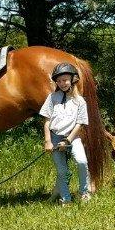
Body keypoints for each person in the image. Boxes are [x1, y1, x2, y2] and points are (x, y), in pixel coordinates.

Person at [40, 63, 92, 203]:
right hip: (55, 137)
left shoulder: (80, 101)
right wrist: (48, 141)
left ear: (72, 80)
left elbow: (79, 123)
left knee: (81, 161)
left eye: (65, 80)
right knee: (62, 171)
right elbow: (47, 120)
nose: (62, 83)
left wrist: (68, 140)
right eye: (59, 81)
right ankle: (66, 199)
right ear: (56, 82)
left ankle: (84, 192)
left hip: (73, 137)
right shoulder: (52, 98)